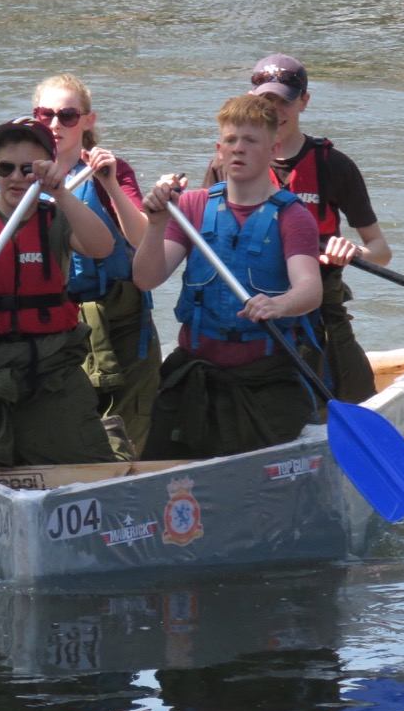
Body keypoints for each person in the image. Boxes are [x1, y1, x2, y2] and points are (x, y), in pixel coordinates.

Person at [133, 95, 323, 461]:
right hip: (195, 375)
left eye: (250, 140)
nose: (238, 149)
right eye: (231, 140)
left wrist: (279, 304)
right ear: (219, 151)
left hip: (264, 379)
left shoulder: (293, 216)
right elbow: (146, 279)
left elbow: (310, 289)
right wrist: (155, 225)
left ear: (273, 149)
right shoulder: (191, 206)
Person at [0, 116, 116, 469]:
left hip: (53, 373)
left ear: (48, 168)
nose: (16, 177)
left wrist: (60, 191)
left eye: (28, 169)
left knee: (95, 468)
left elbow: (102, 246)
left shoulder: (59, 218)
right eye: (6, 168)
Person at [204, 53, 392, 403]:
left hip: (320, 310)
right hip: (251, 307)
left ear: (304, 102)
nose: (275, 111)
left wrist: (353, 251)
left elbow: (381, 252)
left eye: (285, 101)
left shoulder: (334, 165)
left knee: (358, 397)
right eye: (266, 101)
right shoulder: (228, 163)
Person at [32, 73, 161, 459]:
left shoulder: (109, 170)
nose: (55, 124)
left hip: (120, 320)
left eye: (67, 115)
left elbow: (141, 238)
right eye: (45, 115)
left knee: (125, 436)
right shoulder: (23, 174)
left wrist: (110, 185)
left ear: (88, 121)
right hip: (57, 323)